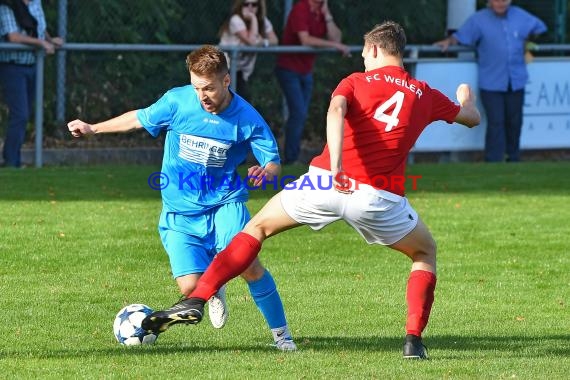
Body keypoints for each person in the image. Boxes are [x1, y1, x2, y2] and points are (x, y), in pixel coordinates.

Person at [142, 21, 481, 359]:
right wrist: (465, 98)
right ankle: (412, 341)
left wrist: (334, 166)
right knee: (424, 253)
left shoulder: (355, 81)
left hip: (322, 182)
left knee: (257, 228)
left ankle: (197, 298)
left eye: (364, 51)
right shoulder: (423, 92)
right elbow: (471, 118)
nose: (363, 57)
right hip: (379, 198)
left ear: (376, 49)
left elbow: (335, 110)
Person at [67, 45, 297, 351]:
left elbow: (273, 162)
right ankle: (214, 287)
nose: (202, 96)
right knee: (191, 290)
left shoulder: (247, 118)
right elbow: (139, 118)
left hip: (224, 204)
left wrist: (266, 171)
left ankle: (282, 337)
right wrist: (93, 128)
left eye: (210, 88)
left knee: (249, 267)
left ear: (227, 81)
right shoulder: (177, 101)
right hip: (179, 212)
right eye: (197, 87)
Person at [434, 0, 547, 162]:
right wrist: (449, 42)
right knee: (496, 122)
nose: (501, 3)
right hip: (491, 82)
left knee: (515, 122)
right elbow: (460, 36)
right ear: (489, 1)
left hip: (516, 80)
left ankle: (513, 158)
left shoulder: (520, 15)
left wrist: (526, 40)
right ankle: (493, 160)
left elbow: (540, 27)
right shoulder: (478, 19)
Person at [275, 0, 350, 164]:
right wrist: (335, 45)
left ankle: (291, 156)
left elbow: (336, 37)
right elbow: (306, 40)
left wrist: (328, 16)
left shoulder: (322, 12)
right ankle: (290, 158)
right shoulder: (300, 9)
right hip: (288, 69)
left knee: (300, 114)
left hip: (305, 71)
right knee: (299, 113)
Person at [0, 0, 62, 168]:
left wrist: (49, 39)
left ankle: (15, 160)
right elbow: (13, 36)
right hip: (13, 67)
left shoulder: (36, 3)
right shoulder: (7, 5)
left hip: (33, 66)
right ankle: (11, 161)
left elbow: (38, 27)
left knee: (24, 115)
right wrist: (41, 43)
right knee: (20, 114)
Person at [218, 0, 278, 102]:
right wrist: (253, 18)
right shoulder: (236, 19)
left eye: (254, 4)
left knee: (239, 104)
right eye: (246, 4)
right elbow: (252, 42)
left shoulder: (262, 21)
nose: (250, 7)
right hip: (223, 68)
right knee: (226, 104)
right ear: (240, 6)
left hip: (240, 71)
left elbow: (275, 40)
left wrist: (263, 42)